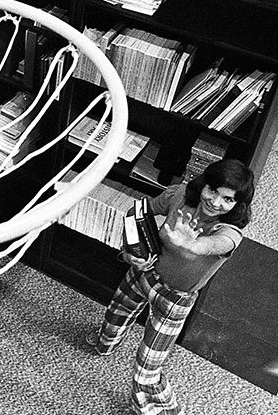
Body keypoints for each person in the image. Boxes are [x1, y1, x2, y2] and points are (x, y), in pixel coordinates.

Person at [85, 158, 254, 415]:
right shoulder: (178, 195)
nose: (216, 202)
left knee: (148, 368)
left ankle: (158, 409)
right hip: (144, 274)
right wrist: (130, 251)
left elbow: (213, 245)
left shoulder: (230, 232)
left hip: (175, 299)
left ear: (237, 205)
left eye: (227, 199)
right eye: (212, 190)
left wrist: (191, 245)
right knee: (114, 316)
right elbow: (138, 212)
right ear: (203, 184)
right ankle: (103, 343)